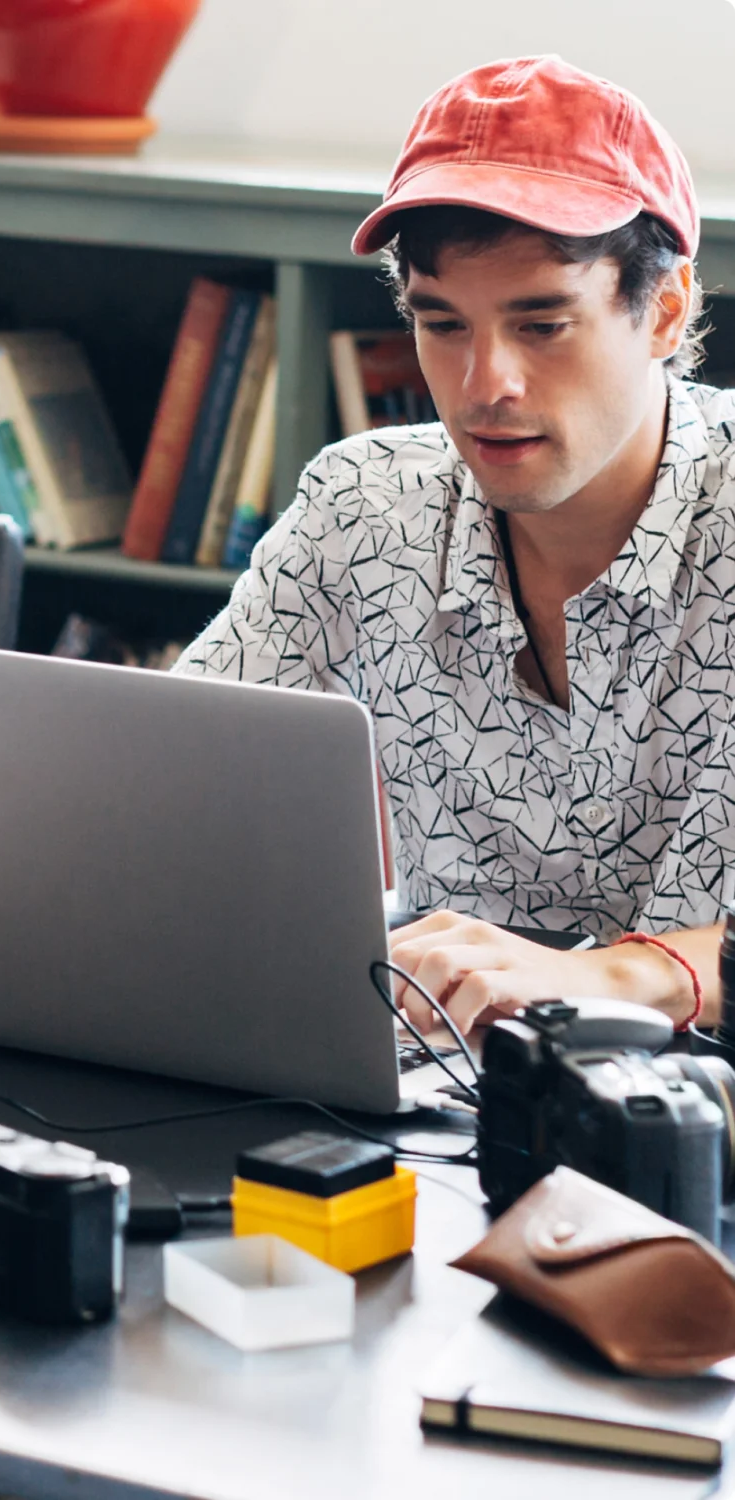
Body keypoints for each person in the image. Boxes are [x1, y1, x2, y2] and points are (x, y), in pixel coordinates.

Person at [174, 54, 734, 1038]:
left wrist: (620, 978)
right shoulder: (362, 509)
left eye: (543, 324)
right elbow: (156, 790)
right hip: (434, 1117)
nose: (485, 384)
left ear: (668, 309)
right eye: (442, 324)